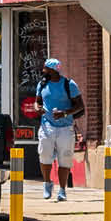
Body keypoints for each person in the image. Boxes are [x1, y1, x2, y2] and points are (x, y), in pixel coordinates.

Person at [35, 58, 84, 201]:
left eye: (46, 69)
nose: (43, 71)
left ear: (53, 70)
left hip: (66, 128)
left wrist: (64, 113)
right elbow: (37, 102)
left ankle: (62, 190)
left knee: (65, 159)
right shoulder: (42, 84)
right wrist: (37, 108)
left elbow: (80, 105)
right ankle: (47, 183)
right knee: (44, 155)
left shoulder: (69, 84)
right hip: (47, 126)